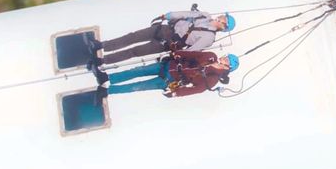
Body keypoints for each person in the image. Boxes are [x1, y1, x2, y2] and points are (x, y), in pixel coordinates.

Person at [88, 10, 236, 67]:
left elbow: (192, 51)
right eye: (223, 15)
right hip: (165, 29)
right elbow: (185, 14)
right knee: (132, 36)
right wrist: (167, 16)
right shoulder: (205, 15)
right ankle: (101, 45)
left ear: (224, 25)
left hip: (168, 43)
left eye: (224, 18)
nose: (221, 16)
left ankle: (102, 61)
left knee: (134, 51)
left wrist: (174, 57)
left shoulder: (209, 38)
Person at [93, 51, 240, 104]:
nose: (223, 58)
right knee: (137, 70)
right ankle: (107, 78)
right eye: (226, 57)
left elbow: (197, 90)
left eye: (227, 61)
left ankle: (107, 91)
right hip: (168, 65)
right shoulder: (210, 56)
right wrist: (176, 54)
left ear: (228, 68)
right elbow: (192, 54)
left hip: (169, 81)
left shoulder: (213, 78)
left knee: (137, 86)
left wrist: (176, 93)